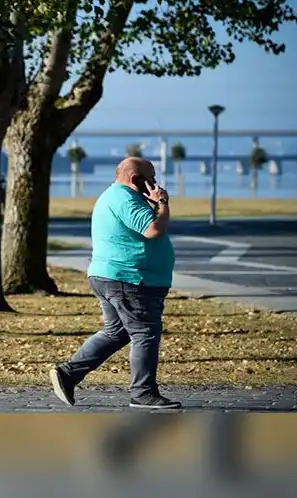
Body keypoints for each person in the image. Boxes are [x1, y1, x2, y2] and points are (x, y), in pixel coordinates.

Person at [49, 157, 180, 409]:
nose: (155, 183)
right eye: (150, 178)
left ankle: (68, 373)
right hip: (130, 279)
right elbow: (154, 229)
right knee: (145, 334)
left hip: (113, 276)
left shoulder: (116, 197)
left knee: (116, 332)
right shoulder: (124, 198)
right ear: (135, 179)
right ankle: (143, 393)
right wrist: (162, 202)